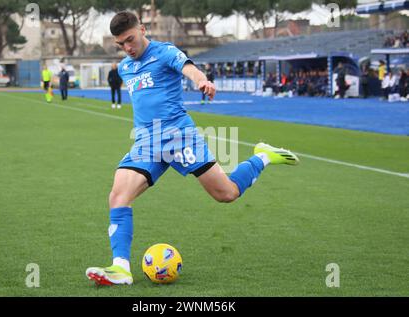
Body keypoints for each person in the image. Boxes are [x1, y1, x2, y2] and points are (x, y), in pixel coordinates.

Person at [85, 11, 299, 286]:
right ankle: (121, 269)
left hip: (179, 138)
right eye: (121, 44)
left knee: (226, 193)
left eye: (130, 39)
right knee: (117, 196)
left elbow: (188, 67)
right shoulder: (126, 67)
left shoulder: (164, 52)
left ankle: (262, 156)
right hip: (147, 142)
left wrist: (200, 80)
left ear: (142, 28)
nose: (127, 47)